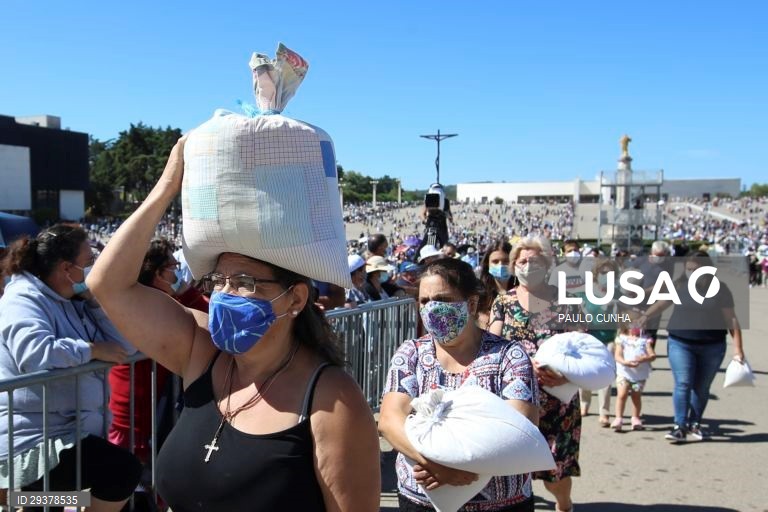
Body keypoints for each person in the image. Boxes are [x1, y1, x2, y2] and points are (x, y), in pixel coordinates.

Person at [87, 139, 381, 511]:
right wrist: (166, 188)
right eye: (218, 281)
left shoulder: (332, 400)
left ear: (295, 299)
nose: (224, 295)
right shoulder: (201, 351)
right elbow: (107, 285)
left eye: (244, 282)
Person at [378, 258, 539, 512]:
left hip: (502, 505)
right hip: (422, 501)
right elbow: (389, 421)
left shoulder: (509, 356)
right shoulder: (411, 354)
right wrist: (435, 466)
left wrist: (459, 467)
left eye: (442, 299)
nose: (431, 308)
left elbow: (521, 428)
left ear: (471, 303)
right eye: (424, 301)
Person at [0, 224, 142, 512]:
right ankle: (13, 497)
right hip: (35, 440)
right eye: (88, 263)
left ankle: (13, 498)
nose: (92, 270)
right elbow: (34, 352)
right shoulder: (23, 298)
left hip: (66, 432)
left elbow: (124, 347)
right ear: (67, 268)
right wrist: (91, 350)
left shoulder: (68, 299)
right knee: (121, 471)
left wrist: (94, 302)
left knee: (46, 502)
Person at [489, 236, 579, 512]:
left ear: (548, 263)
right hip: (515, 402)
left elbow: (583, 348)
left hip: (559, 401)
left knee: (556, 470)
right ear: (515, 265)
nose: (528, 265)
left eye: (535, 261)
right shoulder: (503, 302)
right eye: (522, 260)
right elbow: (491, 347)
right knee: (514, 466)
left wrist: (566, 376)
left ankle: (564, 504)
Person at [641, 251, 745, 443]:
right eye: (689, 269)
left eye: (696, 269)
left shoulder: (720, 289)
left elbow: (731, 319)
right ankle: (679, 425)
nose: (691, 273)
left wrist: (738, 349)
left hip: (712, 345)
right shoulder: (680, 284)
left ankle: (695, 423)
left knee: (701, 387)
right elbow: (663, 302)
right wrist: (645, 316)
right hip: (681, 342)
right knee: (683, 383)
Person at [579, 258, 620, 426]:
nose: (607, 276)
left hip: (609, 339)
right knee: (584, 374)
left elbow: (624, 319)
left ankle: (604, 412)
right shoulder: (586, 293)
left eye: (610, 273)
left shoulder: (618, 294)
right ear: (596, 274)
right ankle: (584, 404)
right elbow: (579, 316)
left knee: (606, 376)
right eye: (603, 273)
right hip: (589, 339)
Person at [611, 326, 656, 432]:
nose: (635, 327)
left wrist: (645, 358)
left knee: (636, 396)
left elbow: (652, 355)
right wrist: (624, 362)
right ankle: (618, 418)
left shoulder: (645, 340)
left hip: (638, 377)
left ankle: (635, 418)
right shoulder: (621, 339)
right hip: (624, 373)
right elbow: (617, 355)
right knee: (622, 395)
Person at [477, 240, 514, 329]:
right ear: (487, 264)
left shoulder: (522, 293)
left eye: (506, 261)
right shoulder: (480, 295)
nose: (501, 265)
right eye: (495, 261)